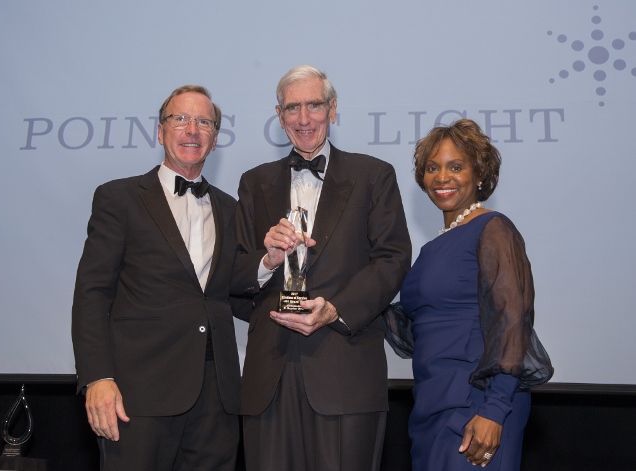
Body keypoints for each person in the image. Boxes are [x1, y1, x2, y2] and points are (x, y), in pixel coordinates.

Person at [231, 65, 412, 471]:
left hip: (345, 371)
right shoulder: (253, 183)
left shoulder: (373, 175)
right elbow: (233, 275)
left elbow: (394, 257)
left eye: (314, 105)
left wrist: (336, 309)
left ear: (333, 109)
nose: (303, 118)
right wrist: (267, 261)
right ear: (279, 117)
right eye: (292, 108)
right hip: (269, 378)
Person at [72, 85, 241, 471]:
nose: (192, 130)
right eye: (180, 119)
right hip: (137, 397)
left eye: (204, 122)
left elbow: (236, 292)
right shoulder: (119, 198)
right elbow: (92, 294)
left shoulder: (232, 209)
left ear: (215, 140)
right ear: (160, 131)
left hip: (216, 399)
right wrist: (97, 376)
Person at [384, 119, 553, 470]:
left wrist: (494, 410)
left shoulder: (493, 229)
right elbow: (420, 326)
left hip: (478, 406)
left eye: (455, 166)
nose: (441, 177)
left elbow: (511, 321)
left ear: (479, 174)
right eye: (432, 168)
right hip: (431, 404)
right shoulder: (435, 245)